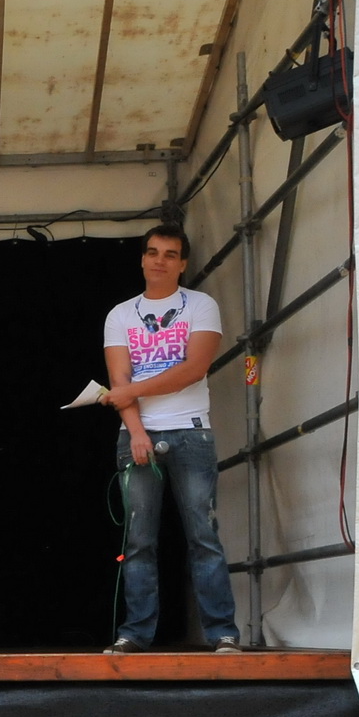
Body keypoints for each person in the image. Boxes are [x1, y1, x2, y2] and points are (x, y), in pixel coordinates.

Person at [98, 224, 240, 654]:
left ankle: (222, 634)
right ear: (142, 259)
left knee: (203, 534)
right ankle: (135, 634)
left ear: (182, 264)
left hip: (191, 430)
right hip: (135, 435)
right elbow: (118, 379)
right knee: (139, 540)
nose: (160, 260)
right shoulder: (120, 314)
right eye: (153, 252)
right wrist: (137, 431)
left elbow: (194, 368)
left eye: (170, 254)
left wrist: (132, 392)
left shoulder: (201, 305)